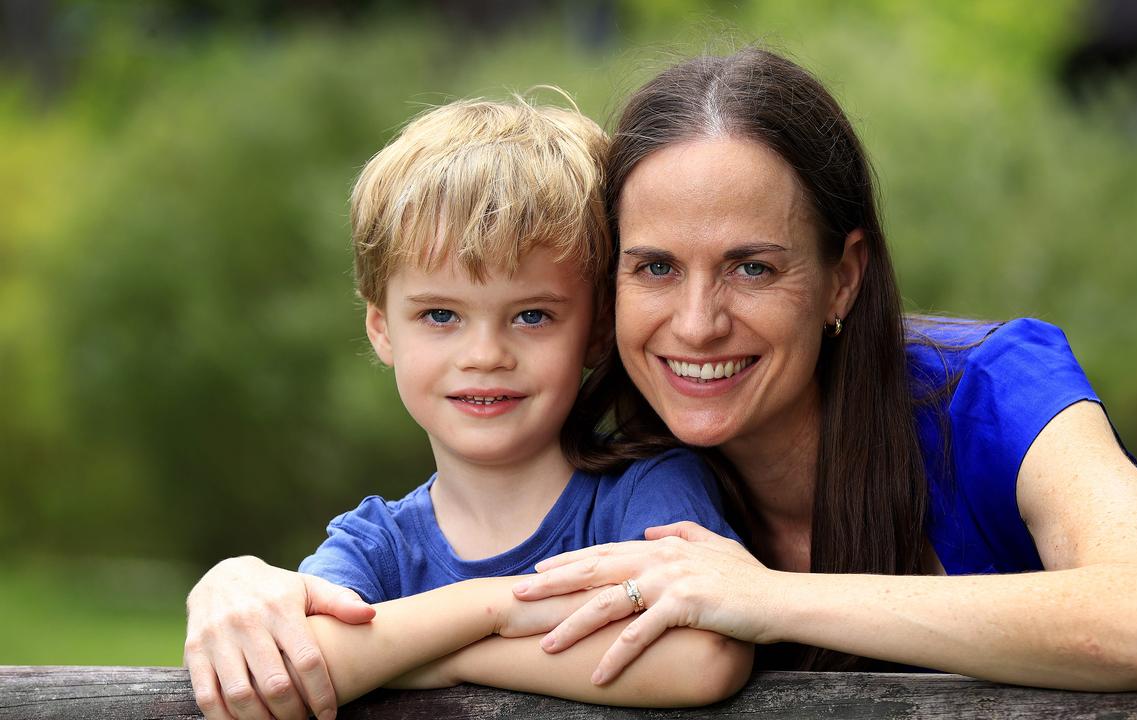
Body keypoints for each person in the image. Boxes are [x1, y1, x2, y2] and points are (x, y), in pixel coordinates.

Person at [509, 46, 1137, 689]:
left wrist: (766, 598)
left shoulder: (992, 391)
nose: (698, 324)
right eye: (657, 267)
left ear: (844, 277)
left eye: (753, 268)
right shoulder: (615, 485)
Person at [182, 96, 751, 720]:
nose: (485, 355)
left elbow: (704, 655)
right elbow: (301, 661)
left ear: (594, 329)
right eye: (441, 315)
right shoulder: (377, 547)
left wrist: (450, 655)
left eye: (532, 315)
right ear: (382, 328)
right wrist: (496, 609)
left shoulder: (646, 493)